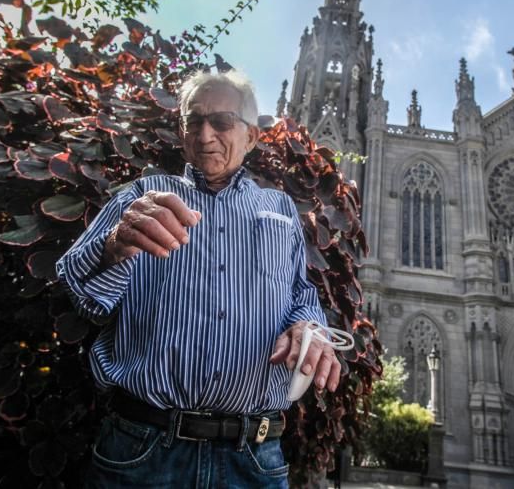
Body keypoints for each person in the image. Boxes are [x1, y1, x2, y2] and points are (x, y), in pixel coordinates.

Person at [56, 70, 340, 488]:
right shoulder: (143, 197)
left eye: (222, 122)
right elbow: (80, 294)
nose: (205, 135)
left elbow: (300, 294)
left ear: (251, 137)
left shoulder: (280, 209)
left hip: (253, 459)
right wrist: (114, 245)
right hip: (143, 451)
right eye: (194, 122)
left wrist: (309, 327)